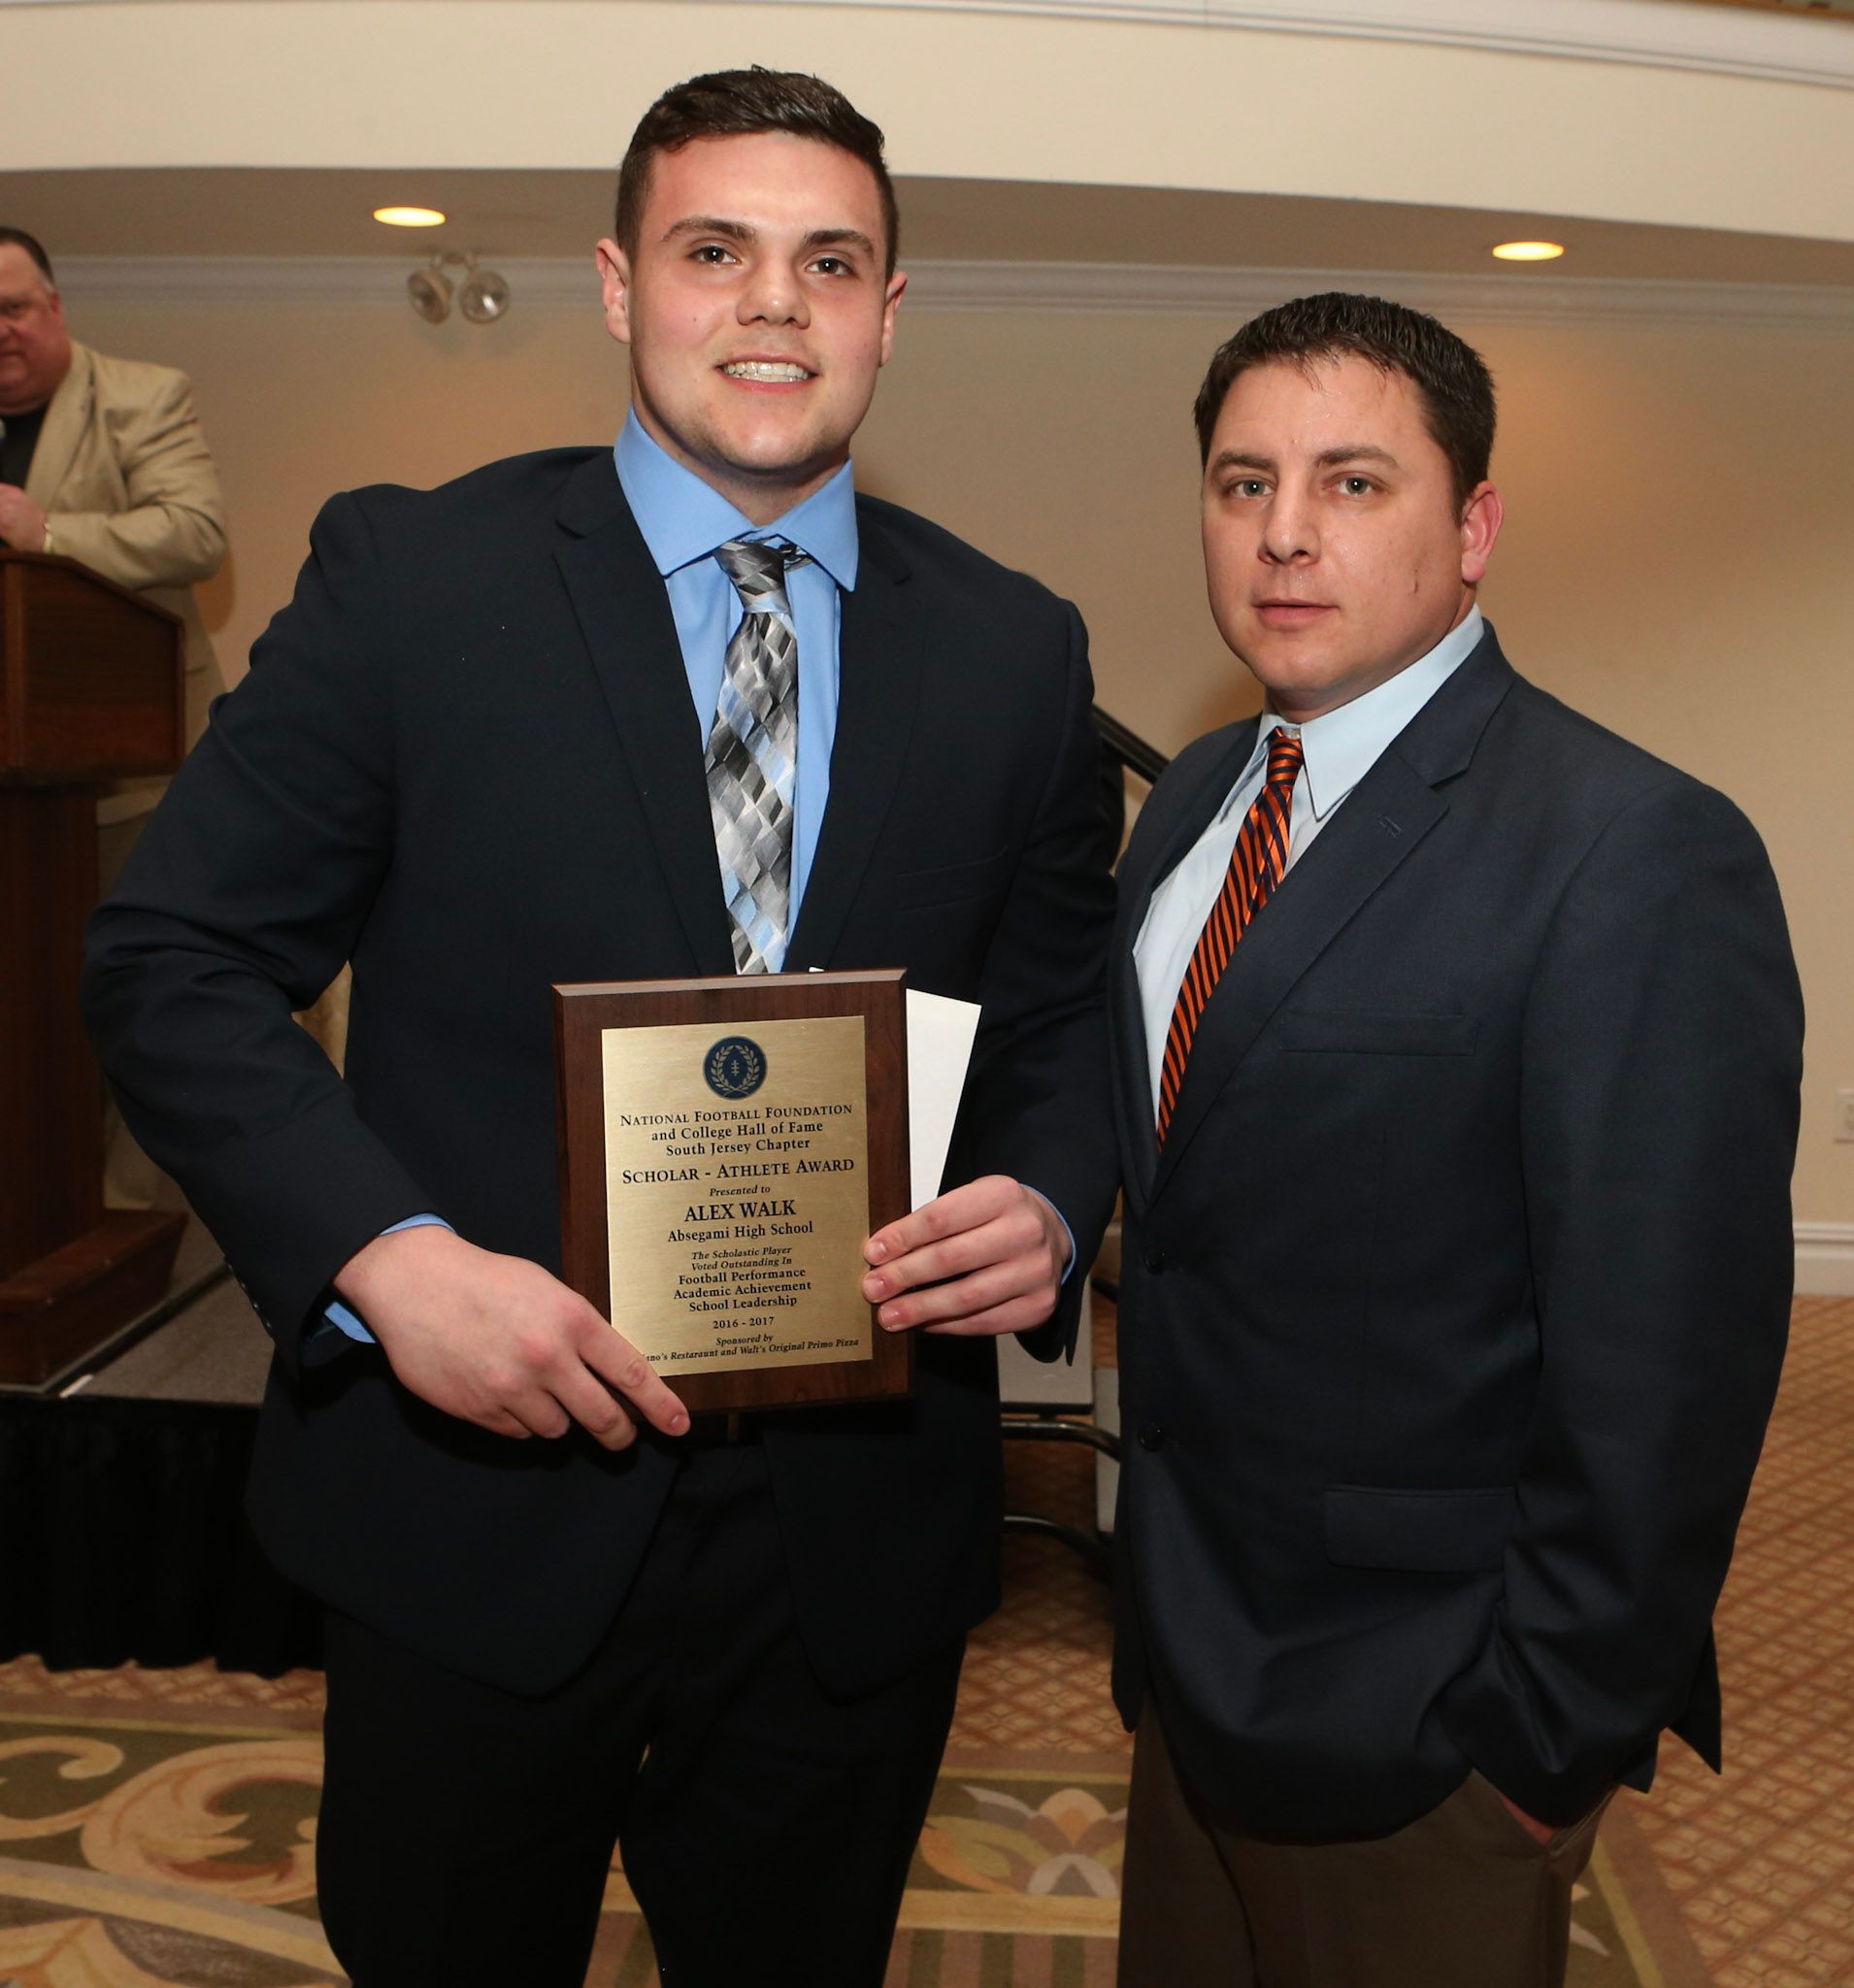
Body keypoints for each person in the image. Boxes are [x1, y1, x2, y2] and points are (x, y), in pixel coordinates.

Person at [82, 69, 1116, 1988]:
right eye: (713, 249)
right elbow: (170, 955)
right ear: (621, 286)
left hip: (852, 1528)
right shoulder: (412, 581)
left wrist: (1052, 1196)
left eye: (830, 259)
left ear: (891, 311)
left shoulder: (1013, 649)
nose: (773, 301)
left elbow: (1060, 1009)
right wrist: (387, 1268)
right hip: (480, 1491)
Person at [1107, 291, 1801, 1988]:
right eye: (1241, 480)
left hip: (1428, 1726)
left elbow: (1666, 1366)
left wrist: (1535, 1741)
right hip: (1187, 1665)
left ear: (1473, 525)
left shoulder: (1632, 849)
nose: (1282, 531)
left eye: (1352, 482)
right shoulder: (1197, 796)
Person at [0, 226, 227, 872]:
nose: (0, 330)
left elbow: (195, 533)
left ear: (55, 308)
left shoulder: (142, 396)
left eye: (12, 309)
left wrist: (46, 535)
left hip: (137, 778)